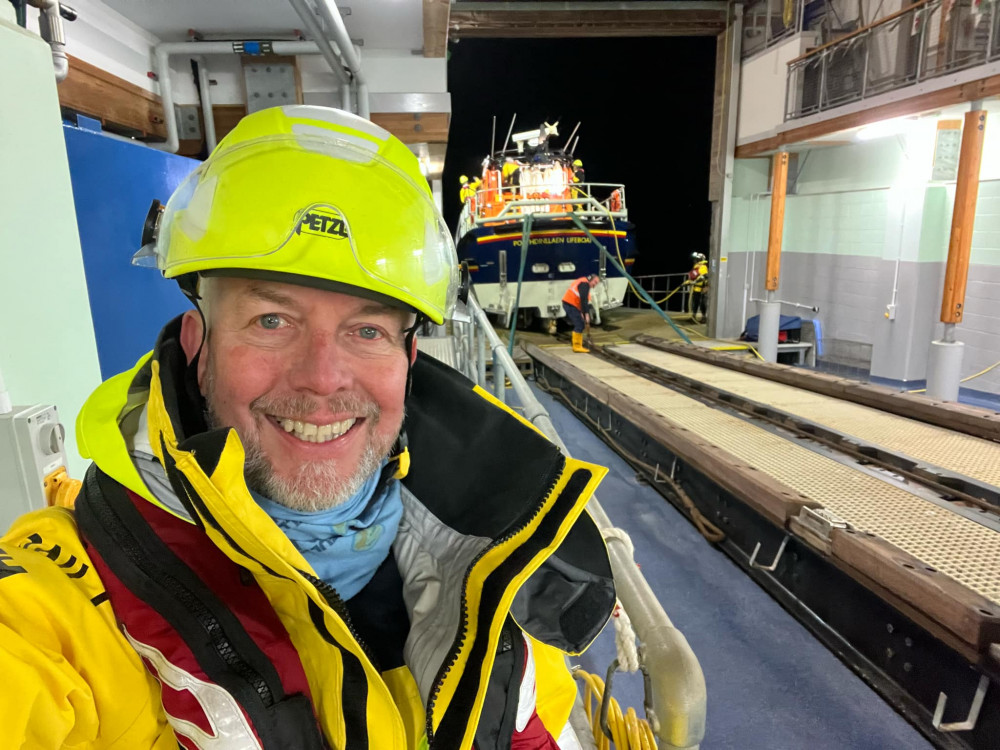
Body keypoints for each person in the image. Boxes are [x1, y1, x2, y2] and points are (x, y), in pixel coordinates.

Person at [0, 106, 615, 749]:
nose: (323, 379)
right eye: (272, 321)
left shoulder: (497, 567)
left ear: (409, 362)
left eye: (368, 329)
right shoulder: (66, 609)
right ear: (197, 346)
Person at [562, 275, 600, 353]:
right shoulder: (584, 284)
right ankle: (577, 346)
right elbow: (583, 300)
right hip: (570, 304)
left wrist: (583, 313)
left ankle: (578, 345)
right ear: (591, 280)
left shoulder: (583, 282)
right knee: (579, 324)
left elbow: (582, 300)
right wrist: (586, 314)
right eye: (595, 282)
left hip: (572, 304)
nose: (595, 284)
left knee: (581, 323)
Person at [689, 252, 709, 324]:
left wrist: (706, 286)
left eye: (697, 259)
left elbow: (705, 276)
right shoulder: (697, 266)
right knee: (695, 303)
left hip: (702, 289)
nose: (695, 260)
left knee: (702, 304)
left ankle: (704, 318)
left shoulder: (703, 267)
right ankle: (693, 317)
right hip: (696, 288)